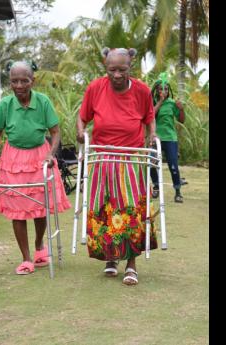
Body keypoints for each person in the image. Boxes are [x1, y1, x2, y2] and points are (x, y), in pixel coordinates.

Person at [0, 60, 71, 275]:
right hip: (13, 159)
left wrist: (50, 154)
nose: (19, 85)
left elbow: (55, 131)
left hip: (39, 156)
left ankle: (39, 245)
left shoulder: (43, 102)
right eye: (14, 81)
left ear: (33, 81)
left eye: (24, 81)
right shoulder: (5, 104)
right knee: (18, 212)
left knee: (39, 207)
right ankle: (26, 258)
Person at [76, 47, 158, 286]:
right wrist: (81, 132)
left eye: (122, 70)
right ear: (106, 67)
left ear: (130, 67)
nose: (117, 75)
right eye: (112, 70)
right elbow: (83, 116)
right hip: (102, 158)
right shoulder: (95, 87)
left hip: (130, 157)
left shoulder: (141, 90)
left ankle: (131, 265)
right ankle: (110, 259)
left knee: (130, 211)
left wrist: (152, 135)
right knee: (104, 209)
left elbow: (149, 117)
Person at [150, 72, 185, 203]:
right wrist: (160, 101)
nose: (163, 91)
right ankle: (156, 187)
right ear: (156, 90)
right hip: (155, 138)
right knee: (152, 164)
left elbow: (181, 120)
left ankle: (178, 191)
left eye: (165, 89)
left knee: (173, 165)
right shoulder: (152, 102)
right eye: (160, 89)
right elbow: (150, 115)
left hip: (170, 138)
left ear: (168, 90)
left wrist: (181, 110)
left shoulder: (172, 103)